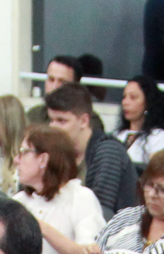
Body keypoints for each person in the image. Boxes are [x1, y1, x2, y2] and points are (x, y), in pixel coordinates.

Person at [14, 124, 106, 254]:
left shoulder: (80, 198)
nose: (16, 160)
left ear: (43, 159)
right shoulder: (20, 201)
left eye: (24, 152)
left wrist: (40, 227)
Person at [45, 84, 136, 216]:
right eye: (51, 120)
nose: (53, 128)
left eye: (61, 121)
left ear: (84, 121)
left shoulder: (108, 151)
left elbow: (99, 212)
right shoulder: (60, 151)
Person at [115, 75, 164, 166]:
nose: (125, 102)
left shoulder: (158, 137)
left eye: (133, 97)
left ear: (148, 102)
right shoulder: (118, 135)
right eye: (124, 97)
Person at [23, 52, 82, 128]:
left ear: (76, 86)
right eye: (51, 80)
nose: (55, 87)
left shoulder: (85, 120)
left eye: (62, 82)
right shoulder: (34, 116)